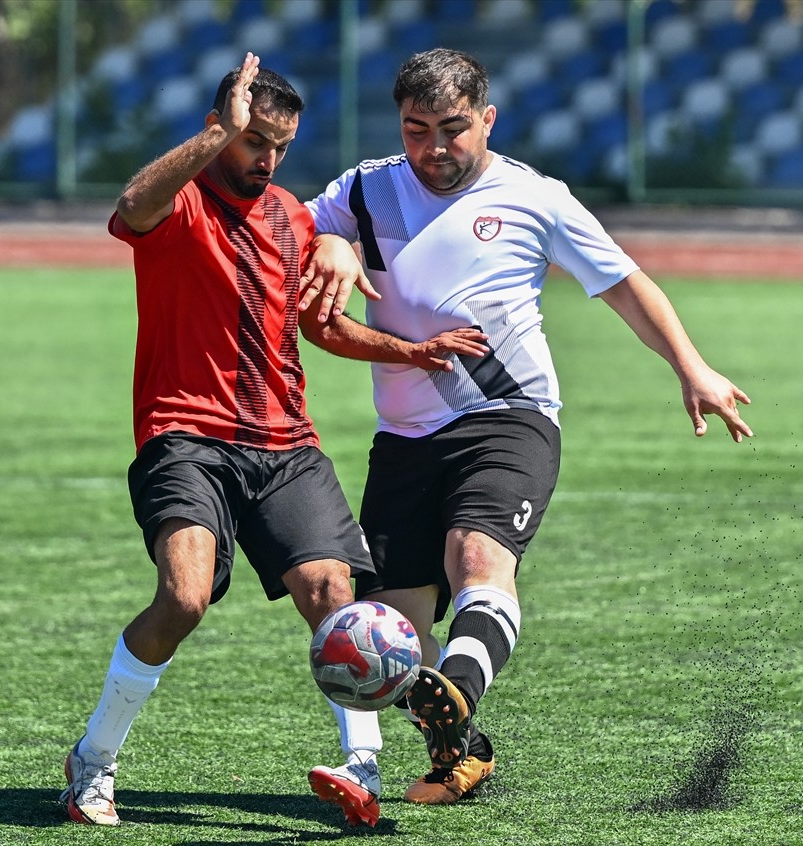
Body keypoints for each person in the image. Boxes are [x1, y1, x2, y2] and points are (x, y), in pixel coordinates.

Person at [296, 48, 754, 826]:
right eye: (415, 130)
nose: (434, 148)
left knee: (476, 557)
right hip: (403, 437)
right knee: (393, 632)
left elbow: (624, 285)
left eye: (452, 128)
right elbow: (288, 232)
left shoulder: (535, 197)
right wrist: (330, 242)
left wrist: (692, 366)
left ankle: (459, 691)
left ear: (487, 119)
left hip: (509, 416)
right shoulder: (366, 190)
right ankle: (464, 746)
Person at [57, 53, 475, 827]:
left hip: (286, 445)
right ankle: (95, 758)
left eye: (281, 146)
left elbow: (323, 325)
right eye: (255, 141)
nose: (268, 160)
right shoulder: (181, 200)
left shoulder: (291, 216)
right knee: (183, 598)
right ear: (220, 128)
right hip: (187, 435)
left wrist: (411, 350)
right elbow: (131, 204)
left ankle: (362, 768)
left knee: (334, 596)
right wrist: (216, 136)